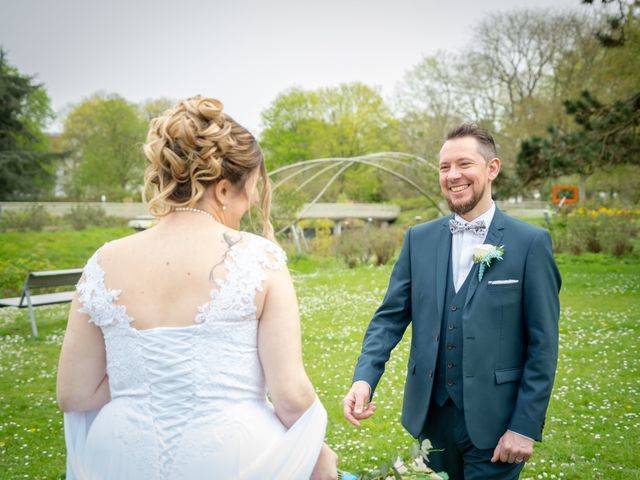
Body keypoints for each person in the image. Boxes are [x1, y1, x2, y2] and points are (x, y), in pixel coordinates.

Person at [57, 96, 338, 480]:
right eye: (252, 187)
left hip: (119, 455)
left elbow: (73, 394)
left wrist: (145, 385)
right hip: (231, 456)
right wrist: (315, 450)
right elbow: (289, 395)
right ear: (223, 189)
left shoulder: (103, 263)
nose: (255, 198)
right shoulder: (258, 259)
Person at [343, 124, 560, 479]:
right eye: (444, 167)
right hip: (430, 418)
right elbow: (390, 318)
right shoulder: (419, 239)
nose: (453, 175)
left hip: (498, 423)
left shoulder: (530, 243)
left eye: (464, 164)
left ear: (492, 169)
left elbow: (543, 344)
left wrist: (525, 425)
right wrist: (364, 379)